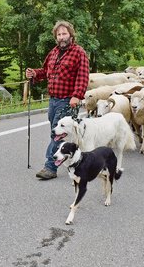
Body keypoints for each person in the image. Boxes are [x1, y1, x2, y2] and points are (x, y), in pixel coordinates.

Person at [25, 20, 90, 180]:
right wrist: (34, 73)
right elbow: (45, 71)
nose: (62, 37)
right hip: (53, 99)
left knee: (57, 133)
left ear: (71, 35)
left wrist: (77, 95)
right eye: (59, 34)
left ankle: (50, 167)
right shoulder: (53, 53)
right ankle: (75, 157)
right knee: (57, 132)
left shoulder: (79, 53)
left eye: (64, 34)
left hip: (67, 100)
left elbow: (83, 77)